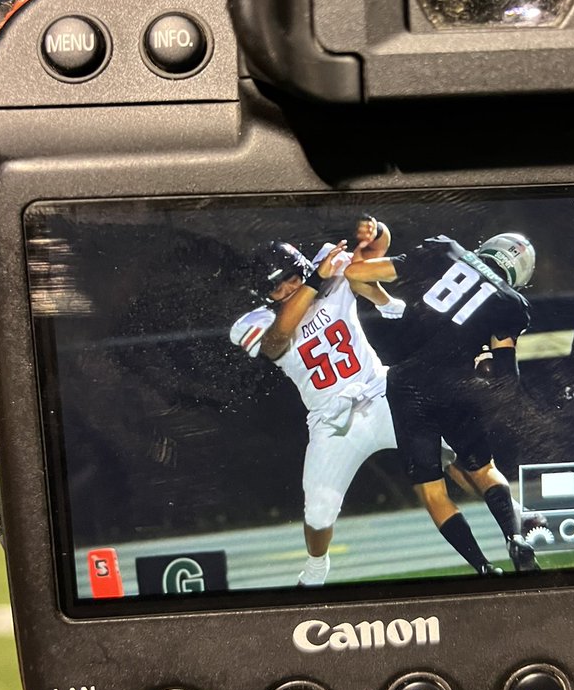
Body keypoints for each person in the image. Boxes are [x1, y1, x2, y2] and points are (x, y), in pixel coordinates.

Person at [344, 231, 540, 573]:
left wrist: (386, 301)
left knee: (433, 492)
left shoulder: (446, 250)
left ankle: (482, 567)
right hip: (457, 386)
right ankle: (514, 538)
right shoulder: (510, 303)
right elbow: (507, 376)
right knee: (484, 469)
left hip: (408, 385)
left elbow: (355, 275)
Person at [230, 237, 406, 586]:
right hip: (331, 422)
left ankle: (514, 518)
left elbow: (368, 257)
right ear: (265, 295)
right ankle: (316, 567)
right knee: (318, 511)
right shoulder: (258, 321)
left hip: (378, 391)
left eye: (292, 277)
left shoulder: (328, 267)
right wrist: (313, 282)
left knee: (452, 447)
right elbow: (275, 341)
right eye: (277, 287)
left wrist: (376, 234)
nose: (288, 288)